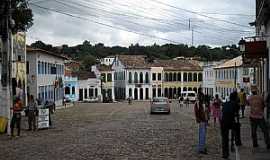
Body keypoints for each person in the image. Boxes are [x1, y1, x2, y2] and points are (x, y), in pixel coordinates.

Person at [220, 92, 239, 158]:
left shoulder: (225, 103)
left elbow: (223, 112)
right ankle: (233, 145)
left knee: (224, 139)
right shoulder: (235, 104)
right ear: (235, 98)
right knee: (235, 133)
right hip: (230, 121)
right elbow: (236, 115)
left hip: (223, 122)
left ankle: (225, 154)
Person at [194, 88, 207, 154]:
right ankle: (201, 148)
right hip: (202, 120)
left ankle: (200, 147)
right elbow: (199, 112)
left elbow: (196, 112)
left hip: (201, 120)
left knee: (201, 134)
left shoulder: (198, 103)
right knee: (202, 134)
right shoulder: (200, 104)